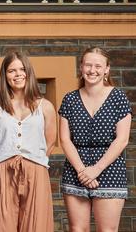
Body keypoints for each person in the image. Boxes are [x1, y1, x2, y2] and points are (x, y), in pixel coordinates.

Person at [59, 47, 132, 232]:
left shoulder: (118, 98)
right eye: (88, 65)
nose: (93, 70)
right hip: (76, 170)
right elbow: (65, 139)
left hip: (110, 170)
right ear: (81, 67)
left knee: (107, 229)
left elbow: (122, 140)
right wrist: (83, 171)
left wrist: (96, 169)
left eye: (98, 66)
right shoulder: (69, 100)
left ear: (107, 69)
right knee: (77, 229)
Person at [0, 52, 56, 232]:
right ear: (5, 76)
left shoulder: (45, 106)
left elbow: (51, 141)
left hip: (36, 171)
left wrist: (32, 162)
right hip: (3, 171)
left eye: (22, 69)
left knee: (36, 224)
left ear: (29, 72)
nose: (18, 74)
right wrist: (6, 157)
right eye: (11, 71)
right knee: (3, 224)